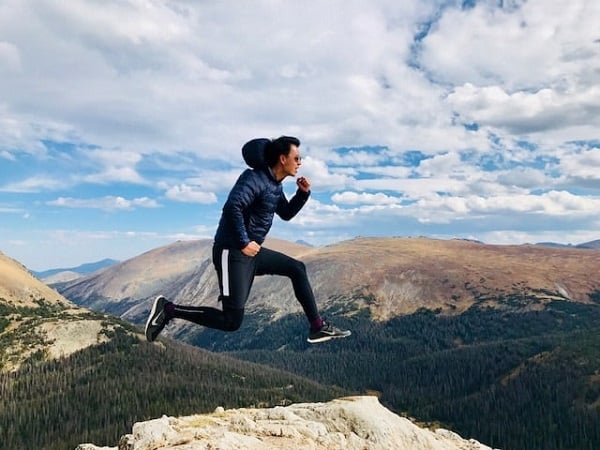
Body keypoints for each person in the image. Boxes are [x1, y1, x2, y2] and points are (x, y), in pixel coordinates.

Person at [145, 136, 351, 344]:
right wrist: (243, 242)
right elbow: (232, 206)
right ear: (282, 159)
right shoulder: (254, 179)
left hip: (250, 253)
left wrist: (303, 194)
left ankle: (317, 327)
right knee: (231, 321)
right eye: (297, 158)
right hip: (231, 251)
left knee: (296, 268)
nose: (300, 162)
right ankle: (168, 309)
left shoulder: (275, 185)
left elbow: (286, 213)